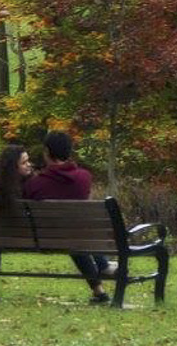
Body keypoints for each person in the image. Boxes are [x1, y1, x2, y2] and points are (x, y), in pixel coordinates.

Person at [22, 130, 115, 304]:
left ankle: (100, 287)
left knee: (72, 237)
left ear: (48, 152)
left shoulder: (35, 183)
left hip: (44, 239)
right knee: (76, 236)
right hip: (78, 237)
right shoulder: (85, 178)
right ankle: (104, 267)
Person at [0, 144, 32, 217]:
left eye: (28, 161)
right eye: (24, 163)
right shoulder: (28, 186)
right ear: (13, 167)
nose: (29, 164)